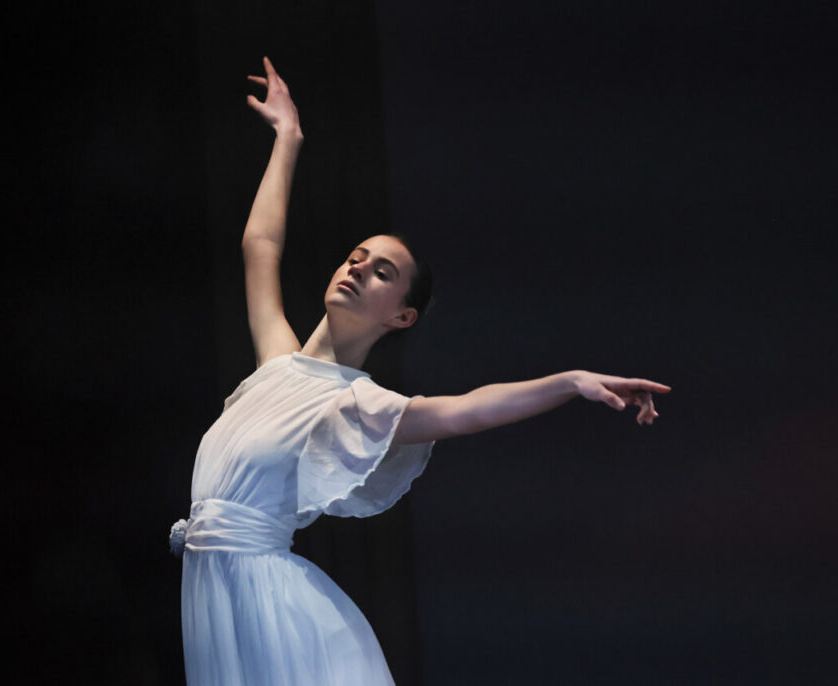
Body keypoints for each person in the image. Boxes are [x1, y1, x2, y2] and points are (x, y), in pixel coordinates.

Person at [170, 56, 671, 686]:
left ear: (402, 317)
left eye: (380, 270)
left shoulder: (358, 405)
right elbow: (260, 246)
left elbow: (467, 410)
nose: (356, 268)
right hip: (218, 601)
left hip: (268, 604)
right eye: (356, 257)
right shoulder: (278, 365)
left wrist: (568, 382)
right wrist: (288, 139)